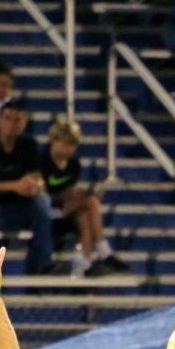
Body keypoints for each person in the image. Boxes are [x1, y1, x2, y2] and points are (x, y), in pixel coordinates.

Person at [0, 99, 54, 277]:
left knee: (43, 201)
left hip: (20, 205)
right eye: (8, 118)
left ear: (24, 123)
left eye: (18, 120)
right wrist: (15, 186)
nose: (12, 124)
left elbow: (37, 178)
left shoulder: (29, 145)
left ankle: (42, 263)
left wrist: (34, 186)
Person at [43, 118, 127, 277]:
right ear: (54, 140)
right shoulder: (42, 161)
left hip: (67, 209)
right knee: (90, 201)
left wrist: (75, 194)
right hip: (48, 210)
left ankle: (82, 266)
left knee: (85, 213)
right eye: (66, 143)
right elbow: (43, 191)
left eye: (73, 145)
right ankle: (103, 250)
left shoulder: (74, 164)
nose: (70, 149)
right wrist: (71, 194)